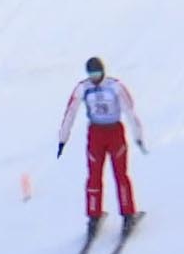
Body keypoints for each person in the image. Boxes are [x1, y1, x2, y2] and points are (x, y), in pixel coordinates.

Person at [56, 57, 146, 238]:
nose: (94, 78)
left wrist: (138, 137)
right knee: (94, 176)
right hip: (95, 134)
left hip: (114, 133)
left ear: (103, 71)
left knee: (121, 174)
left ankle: (128, 213)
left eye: (97, 74)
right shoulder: (83, 88)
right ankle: (93, 214)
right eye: (91, 74)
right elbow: (70, 113)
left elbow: (130, 111)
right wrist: (63, 139)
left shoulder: (115, 87)